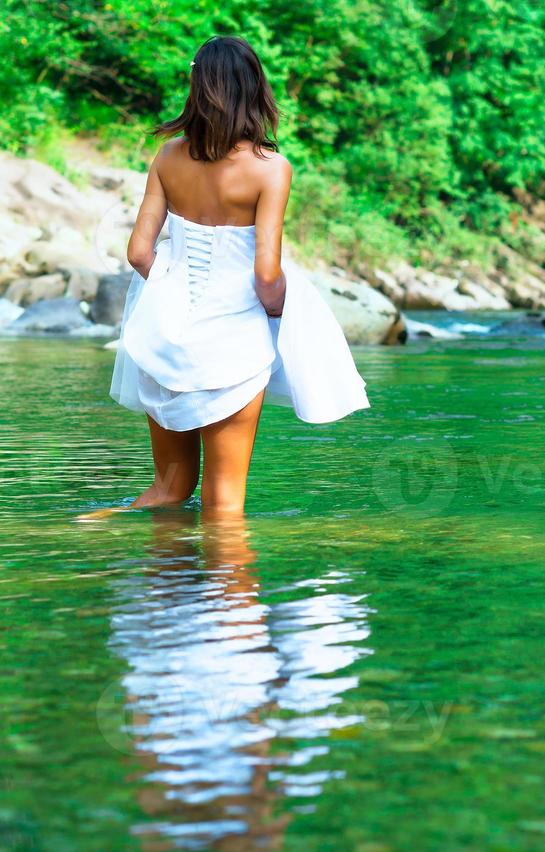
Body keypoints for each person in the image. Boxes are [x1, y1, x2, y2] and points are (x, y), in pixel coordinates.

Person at [105, 35, 369, 519]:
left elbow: (139, 252)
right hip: (229, 341)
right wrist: (282, 314)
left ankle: (90, 527)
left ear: (197, 86)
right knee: (223, 505)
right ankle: (224, 599)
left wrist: (171, 289)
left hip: (161, 334)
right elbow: (266, 274)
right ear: (255, 89)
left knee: (168, 492)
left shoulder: (168, 157)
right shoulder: (271, 170)